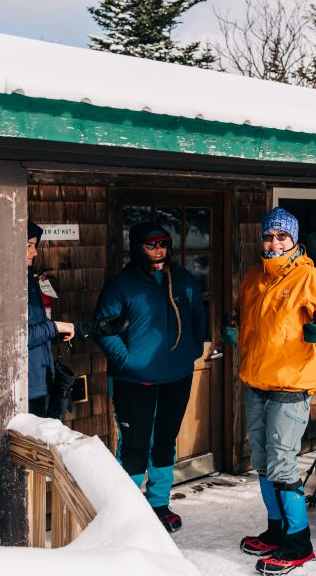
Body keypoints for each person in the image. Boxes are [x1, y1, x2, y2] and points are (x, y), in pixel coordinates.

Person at [222, 206, 316, 575]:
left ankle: (298, 543)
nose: (274, 242)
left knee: (282, 463)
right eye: (269, 236)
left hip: (290, 385)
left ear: (294, 239)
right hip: (256, 381)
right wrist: (235, 330)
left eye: (282, 236)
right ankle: (275, 532)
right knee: (262, 463)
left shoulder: (309, 278)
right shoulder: (254, 276)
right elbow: (244, 319)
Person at [94, 222, 207, 533]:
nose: (160, 251)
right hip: (134, 379)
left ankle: (159, 502)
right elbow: (103, 328)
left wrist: (193, 350)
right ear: (137, 248)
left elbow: (198, 316)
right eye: (151, 245)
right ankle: (127, 507)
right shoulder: (122, 285)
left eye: (164, 244)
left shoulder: (182, 280)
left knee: (165, 441)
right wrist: (127, 361)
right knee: (135, 443)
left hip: (178, 376)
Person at [26, 221, 73, 416]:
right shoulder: (4, 283)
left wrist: (55, 333)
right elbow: (18, 338)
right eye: (29, 245)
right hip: (25, 388)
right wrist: (54, 327)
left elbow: (33, 330)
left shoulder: (28, 279)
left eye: (35, 245)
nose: (35, 252)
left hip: (42, 378)